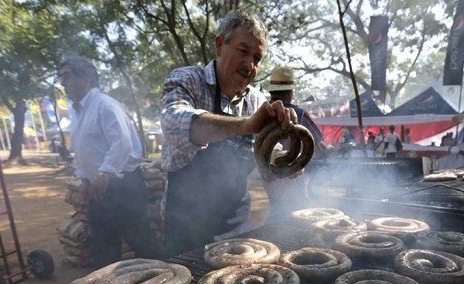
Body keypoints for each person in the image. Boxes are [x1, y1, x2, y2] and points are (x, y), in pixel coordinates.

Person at [160, 9, 297, 256]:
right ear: (220, 45)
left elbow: (270, 161)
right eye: (243, 51)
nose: (250, 65)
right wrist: (245, 125)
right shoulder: (188, 79)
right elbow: (174, 123)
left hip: (237, 232)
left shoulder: (256, 100)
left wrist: (291, 162)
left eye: (257, 58)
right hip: (184, 230)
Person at [59, 57, 161, 268]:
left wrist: (105, 173)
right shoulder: (77, 111)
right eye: (62, 77)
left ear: (85, 78)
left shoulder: (105, 105)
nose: (62, 83)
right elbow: (83, 149)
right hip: (98, 189)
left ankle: (164, 283)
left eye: (67, 76)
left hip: (123, 186)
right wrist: (85, 177)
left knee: (141, 241)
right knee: (103, 245)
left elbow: (122, 143)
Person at [262, 66, 324, 222]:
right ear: (290, 92)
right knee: (298, 213)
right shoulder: (299, 114)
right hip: (294, 174)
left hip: (269, 175)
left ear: (271, 91)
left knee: (277, 209)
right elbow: (317, 145)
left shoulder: (261, 115)